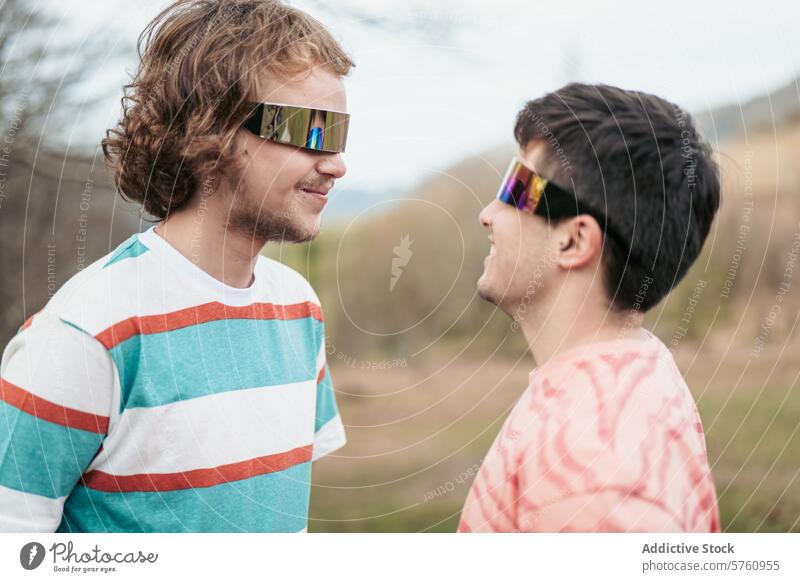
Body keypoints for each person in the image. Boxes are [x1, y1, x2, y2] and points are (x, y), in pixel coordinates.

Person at [0, 0, 352, 532]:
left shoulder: (299, 307)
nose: (336, 163)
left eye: (339, 132)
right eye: (309, 128)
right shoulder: (85, 335)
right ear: (206, 129)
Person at [459, 83, 721, 532]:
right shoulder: (638, 364)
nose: (488, 213)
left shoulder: (594, 471)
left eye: (516, 188)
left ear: (574, 240)